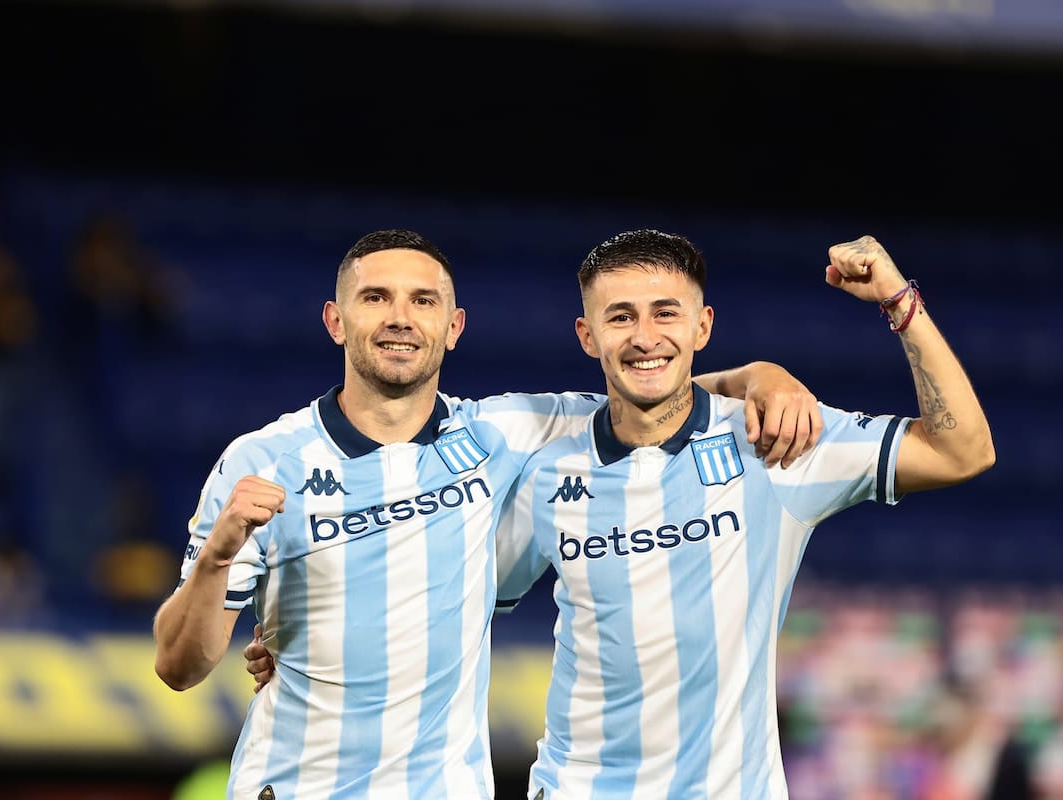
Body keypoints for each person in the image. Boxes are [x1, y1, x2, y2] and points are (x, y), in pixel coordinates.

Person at [155, 229, 822, 800]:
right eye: (376, 298)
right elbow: (178, 667)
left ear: (454, 326)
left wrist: (758, 375)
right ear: (336, 320)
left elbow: (647, 390)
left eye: (423, 301)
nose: (399, 317)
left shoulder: (503, 433)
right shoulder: (264, 461)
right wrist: (217, 560)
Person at [485, 230, 995, 798]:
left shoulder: (772, 442)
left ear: (702, 325)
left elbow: (963, 450)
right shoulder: (551, 467)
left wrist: (899, 302)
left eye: (665, 313)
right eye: (621, 317)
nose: (645, 336)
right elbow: (475, 606)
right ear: (588, 335)